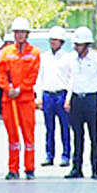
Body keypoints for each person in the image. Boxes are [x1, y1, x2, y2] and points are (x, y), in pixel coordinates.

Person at [0, 16, 41, 179]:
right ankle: (13, 169)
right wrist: (8, 88)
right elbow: (2, 74)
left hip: (26, 99)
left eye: (22, 32)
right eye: (17, 32)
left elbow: (33, 75)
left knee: (28, 134)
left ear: (27, 34)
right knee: (12, 135)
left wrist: (20, 88)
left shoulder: (34, 53)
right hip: (9, 99)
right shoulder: (6, 52)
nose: (19, 35)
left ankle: (29, 168)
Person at [64, 26, 97, 180]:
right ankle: (77, 168)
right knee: (77, 135)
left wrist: (92, 94)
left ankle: (95, 168)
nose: (77, 47)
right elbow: (69, 79)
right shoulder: (71, 59)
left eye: (79, 44)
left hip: (91, 99)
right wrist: (68, 99)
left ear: (87, 45)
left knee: (93, 135)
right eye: (75, 44)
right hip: (76, 99)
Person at [35, 25, 73, 168]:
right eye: (51, 39)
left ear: (61, 42)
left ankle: (66, 155)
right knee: (49, 128)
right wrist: (39, 97)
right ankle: (49, 155)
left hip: (61, 94)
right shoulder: (44, 57)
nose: (53, 42)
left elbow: (71, 79)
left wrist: (68, 99)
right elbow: (39, 78)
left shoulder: (67, 58)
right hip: (47, 95)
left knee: (64, 127)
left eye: (56, 40)